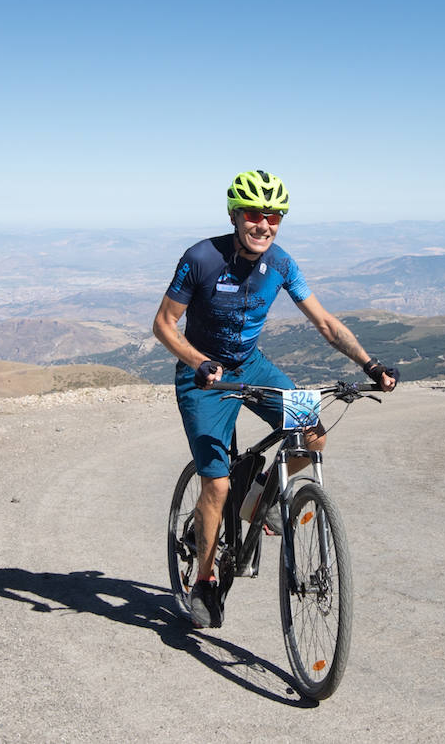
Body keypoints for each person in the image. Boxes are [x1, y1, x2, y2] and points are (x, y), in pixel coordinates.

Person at [152, 169, 398, 630]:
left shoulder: (281, 263)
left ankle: (258, 504)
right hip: (203, 376)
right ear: (234, 214)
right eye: (254, 214)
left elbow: (324, 322)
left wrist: (370, 364)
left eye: (274, 216)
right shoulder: (201, 258)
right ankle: (203, 581)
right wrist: (197, 361)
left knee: (313, 436)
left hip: (252, 366)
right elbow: (164, 324)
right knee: (217, 484)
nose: (264, 224)